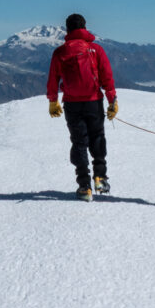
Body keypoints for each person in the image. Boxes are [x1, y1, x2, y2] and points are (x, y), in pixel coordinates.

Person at [47, 14, 118, 202]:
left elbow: (53, 79)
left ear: (67, 30)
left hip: (71, 103)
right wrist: (112, 100)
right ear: (85, 28)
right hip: (94, 101)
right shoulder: (95, 49)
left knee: (79, 142)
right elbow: (107, 77)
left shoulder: (60, 52)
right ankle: (100, 178)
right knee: (97, 137)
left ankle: (83, 186)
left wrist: (53, 101)